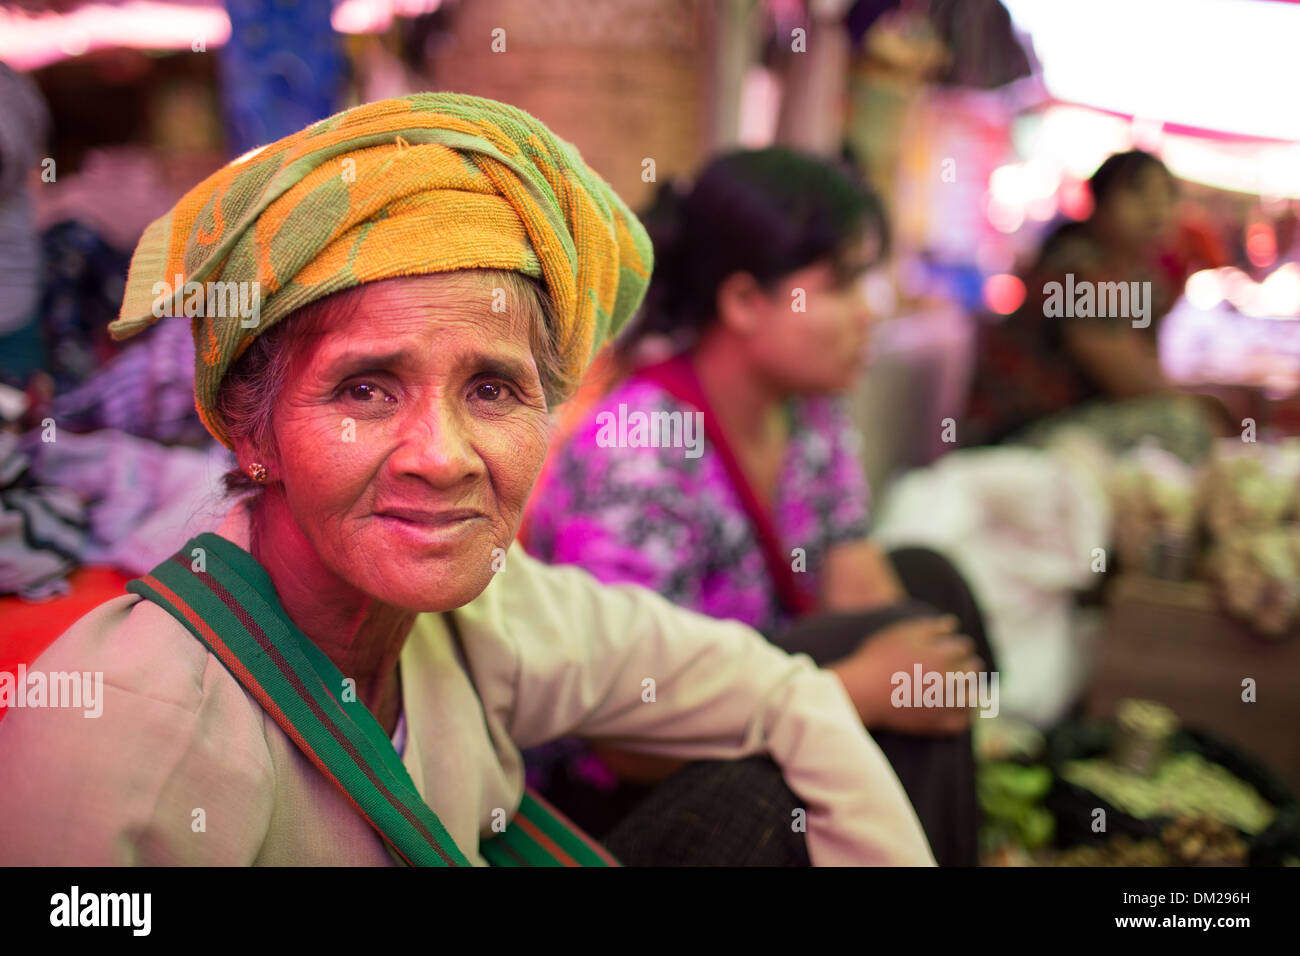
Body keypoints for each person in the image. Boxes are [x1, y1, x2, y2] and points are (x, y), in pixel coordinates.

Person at [0, 95, 934, 867]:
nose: (441, 456)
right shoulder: (134, 732)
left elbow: (785, 694)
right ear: (252, 430)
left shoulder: (488, 611)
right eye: (364, 389)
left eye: (493, 388)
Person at [524, 147, 995, 866]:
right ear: (744, 302)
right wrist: (848, 696)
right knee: (780, 786)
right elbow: (623, 734)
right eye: (841, 284)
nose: (872, 311)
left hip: (755, 703)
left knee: (929, 593)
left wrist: (903, 671)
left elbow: (861, 589)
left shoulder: (810, 413)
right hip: (622, 792)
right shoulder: (643, 449)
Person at [964, 149, 1230, 457]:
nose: (1156, 209)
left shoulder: (1137, 275)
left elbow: (1145, 367)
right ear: (1100, 204)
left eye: (1167, 195)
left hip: (1067, 430)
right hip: (1016, 440)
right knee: (1184, 423)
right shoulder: (1076, 268)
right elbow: (1128, 382)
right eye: (1139, 192)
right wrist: (1203, 400)